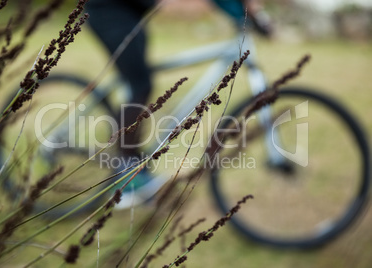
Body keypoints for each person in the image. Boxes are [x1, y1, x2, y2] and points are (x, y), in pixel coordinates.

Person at [85, 0, 271, 208]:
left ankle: (136, 165)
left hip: (131, 12)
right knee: (140, 85)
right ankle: (126, 175)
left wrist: (244, 15)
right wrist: (246, 14)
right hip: (109, 9)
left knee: (138, 80)